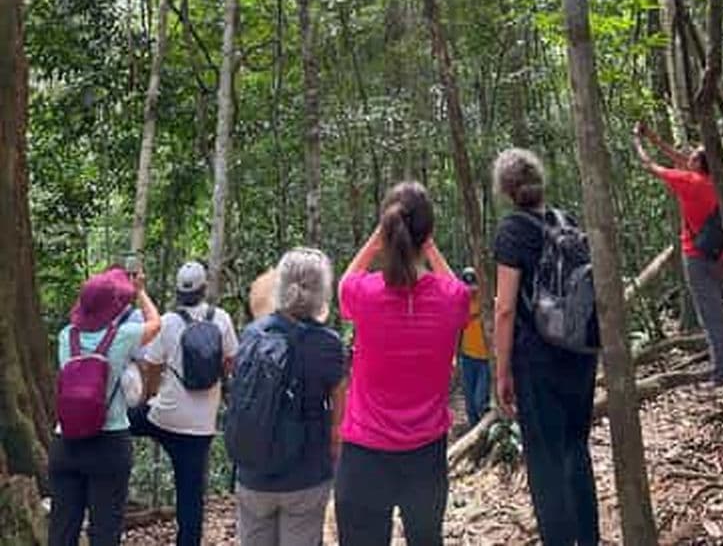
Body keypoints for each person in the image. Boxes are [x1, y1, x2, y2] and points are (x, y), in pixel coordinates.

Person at [334, 181, 470, 546]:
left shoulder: (363, 294)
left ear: (386, 229)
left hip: (364, 453)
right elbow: (457, 292)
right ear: (428, 235)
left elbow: (344, 283)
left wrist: (377, 238)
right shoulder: (451, 299)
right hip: (425, 453)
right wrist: (429, 246)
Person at [493, 147, 599, 546]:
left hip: (536, 360)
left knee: (544, 460)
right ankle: (587, 538)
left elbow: (505, 308)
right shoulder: (566, 220)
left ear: (505, 189)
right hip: (580, 354)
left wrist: (501, 371)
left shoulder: (512, 231)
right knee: (576, 450)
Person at [234, 249, 346, 546]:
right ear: (322, 291)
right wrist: (335, 440)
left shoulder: (251, 335)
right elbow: (339, 400)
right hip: (305, 472)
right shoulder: (328, 344)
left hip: (253, 471)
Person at [48, 266, 161, 546]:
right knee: (105, 531)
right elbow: (156, 324)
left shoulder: (66, 337)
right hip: (109, 443)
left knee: (62, 530)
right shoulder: (122, 336)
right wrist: (140, 292)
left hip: (66, 443)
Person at [129, 261, 238, 546]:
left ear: (179, 292)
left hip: (165, 419)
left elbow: (152, 366)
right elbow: (230, 362)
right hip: (200, 428)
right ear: (204, 290)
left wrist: (148, 398)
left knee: (119, 423)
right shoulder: (222, 319)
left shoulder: (168, 322)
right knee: (191, 498)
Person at [633, 122, 723, 386]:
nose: (687, 156)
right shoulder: (716, 180)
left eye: (693, 155)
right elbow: (680, 158)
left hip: (698, 258)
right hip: (722, 256)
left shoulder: (688, 182)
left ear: (698, 164)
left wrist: (637, 141)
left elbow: (650, 166)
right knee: (720, 314)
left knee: (711, 318)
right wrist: (655, 138)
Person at [458, 266, 491, 428]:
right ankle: (474, 434)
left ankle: (483, 430)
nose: (471, 289)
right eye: (467, 285)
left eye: (473, 285)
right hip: (467, 357)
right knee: (470, 403)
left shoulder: (486, 302)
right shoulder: (460, 303)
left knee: (480, 401)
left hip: (485, 359)